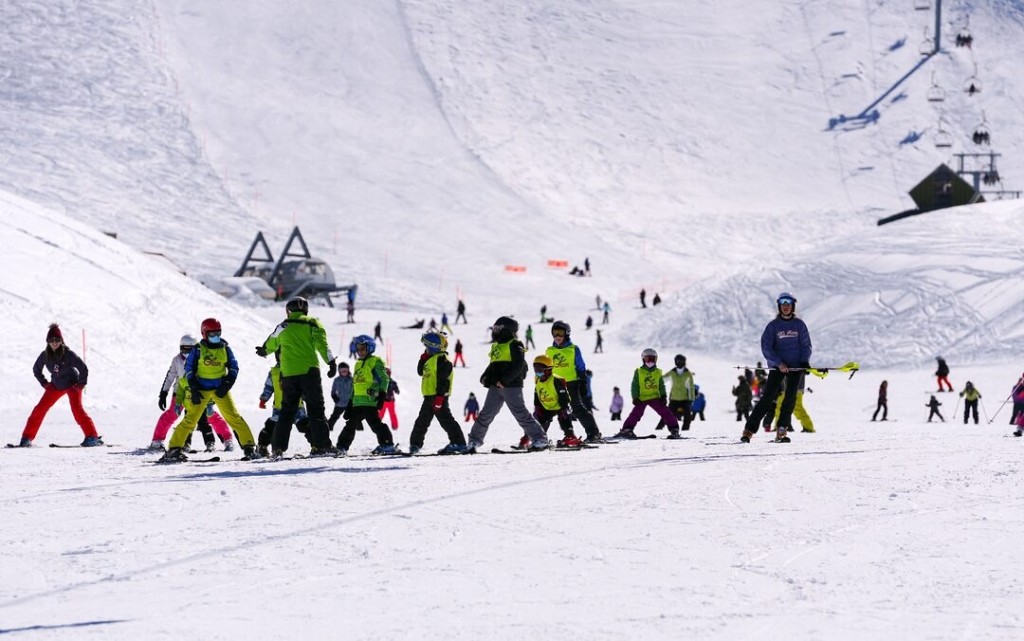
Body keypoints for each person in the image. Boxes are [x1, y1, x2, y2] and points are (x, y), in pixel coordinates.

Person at [161, 318, 259, 462]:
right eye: (212, 333)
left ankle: (249, 447)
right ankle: (174, 449)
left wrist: (227, 384)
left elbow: (233, 367)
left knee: (234, 417)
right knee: (190, 420)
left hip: (220, 389)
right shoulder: (198, 349)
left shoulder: (225, 348)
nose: (216, 336)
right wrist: (193, 389)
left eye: (218, 333)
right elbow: (189, 369)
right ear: (204, 334)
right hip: (201, 390)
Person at [258, 296, 338, 457]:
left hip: (288, 374)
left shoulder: (283, 325)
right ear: (306, 309)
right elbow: (322, 345)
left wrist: (264, 351)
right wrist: (331, 363)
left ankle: (277, 448)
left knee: (287, 411)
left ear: (288, 310)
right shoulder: (312, 323)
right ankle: (321, 446)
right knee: (316, 409)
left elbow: (270, 342)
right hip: (309, 372)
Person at [465, 316, 550, 452]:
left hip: (511, 386)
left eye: (499, 328)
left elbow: (518, 365)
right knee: (486, 414)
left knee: (520, 413)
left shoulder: (515, 345)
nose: (496, 331)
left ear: (508, 330)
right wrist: (485, 376)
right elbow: (493, 364)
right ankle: (474, 441)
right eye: (495, 328)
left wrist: (505, 381)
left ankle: (540, 439)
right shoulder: (496, 346)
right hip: (495, 386)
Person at [741, 292, 812, 444]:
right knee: (767, 398)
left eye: (788, 304)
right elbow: (766, 348)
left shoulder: (799, 325)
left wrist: (804, 362)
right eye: (783, 304)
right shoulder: (773, 326)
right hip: (777, 367)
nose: (785, 307)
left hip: (795, 368)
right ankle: (749, 430)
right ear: (779, 306)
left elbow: (805, 345)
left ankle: (782, 429)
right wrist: (778, 363)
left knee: (790, 398)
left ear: (792, 306)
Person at [18, 324, 102, 447]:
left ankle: (92, 437)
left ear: (61, 341)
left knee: (77, 410)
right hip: (55, 385)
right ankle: (26, 438)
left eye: (57, 340)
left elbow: (83, 369)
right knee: (39, 409)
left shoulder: (68, 354)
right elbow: (36, 370)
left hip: (72, 384)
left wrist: (80, 384)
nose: (54, 342)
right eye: (51, 340)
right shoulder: (45, 355)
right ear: (48, 342)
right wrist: (45, 383)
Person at [151, 334, 234, 452]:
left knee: (209, 415)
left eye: (190, 349)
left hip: (199, 392)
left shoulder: (201, 359)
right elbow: (170, 376)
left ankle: (227, 440)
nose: (187, 352)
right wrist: (163, 393)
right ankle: (157, 441)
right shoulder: (177, 360)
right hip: (180, 392)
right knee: (172, 414)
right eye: (185, 349)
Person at [335, 335, 397, 455]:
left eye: (363, 349)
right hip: (358, 402)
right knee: (350, 425)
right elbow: (356, 384)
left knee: (376, 424)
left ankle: (387, 445)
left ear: (370, 348)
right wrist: (349, 404)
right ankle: (341, 448)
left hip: (370, 401)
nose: (360, 352)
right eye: (358, 349)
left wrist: (382, 395)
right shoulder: (358, 364)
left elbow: (384, 379)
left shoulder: (375, 362)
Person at [408, 330, 467, 455]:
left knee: (446, 421)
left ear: (433, 347)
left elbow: (443, 382)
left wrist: (439, 398)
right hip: (429, 396)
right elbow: (420, 372)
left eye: (427, 347)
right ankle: (415, 445)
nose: (425, 349)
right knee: (422, 422)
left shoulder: (442, 361)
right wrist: (423, 358)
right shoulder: (430, 359)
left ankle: (459, 443)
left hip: (438, 397)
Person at [546, 321, 604, 442]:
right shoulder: (549, 350)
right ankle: (566, 435)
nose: (557, 336)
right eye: (554, 333)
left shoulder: (573, 349)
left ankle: (593, 433)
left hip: (571, 383)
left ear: (567, 334)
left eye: (560, 333)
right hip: (555, 385)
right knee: (551, 410)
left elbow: (581, 367)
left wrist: (583, 382)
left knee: (577, 409)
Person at [615, 348, 680, 439]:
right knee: (636, 414)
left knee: (666, 412)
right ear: (643, 359)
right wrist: (635, 397)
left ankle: (674, 429)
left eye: (652, 359)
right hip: (642, 398)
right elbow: (635, 385)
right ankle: (627, 429)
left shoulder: (658, 372)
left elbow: (661, 385)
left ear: (656, 360)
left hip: (655, 397)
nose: (650, 361)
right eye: (647, 359)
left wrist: (663, 395)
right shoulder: (639, 372)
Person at [256, 351, 312, 457]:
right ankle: (263, 447)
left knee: (304, 425)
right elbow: (269, 387)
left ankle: (316, 446)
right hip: (279, 408)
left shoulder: (297, 370)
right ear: (278, 357)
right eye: (282, 356)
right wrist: (264, 399)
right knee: (273, 428)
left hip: (297, 408)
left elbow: (304, 387)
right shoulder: (274, 372)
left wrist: (308, 397)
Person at [530, 355, 584, 447]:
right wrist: (537, 407)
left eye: (540, 369)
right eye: (535, 369)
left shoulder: (556, 380)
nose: (537, 372)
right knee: (539, 418)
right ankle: (540, 439)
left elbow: (563, 395)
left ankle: (570, 436)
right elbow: (537, 393)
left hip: (559, 405)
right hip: (547, 406)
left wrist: (564, 407)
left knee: (564, 416)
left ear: (548, 370)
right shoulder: (537, 379)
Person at [657, 354, 694, 431]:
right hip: (674, 399)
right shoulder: (672, 372)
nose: (679, 362)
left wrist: (691, 399)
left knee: (687, 416)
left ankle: (685, 431)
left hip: (685, 399)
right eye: (677, 361)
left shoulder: (688, 373)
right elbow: (662, 379)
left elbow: (691, 387)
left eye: (681, 361)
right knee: (667, 414)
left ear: (684, 362)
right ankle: (659, 429)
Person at [327, 362, 353, 430]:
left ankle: (356, 427)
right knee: (335, 416)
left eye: (345, 370)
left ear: (348, 370)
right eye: (342, 370)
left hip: (349, 403)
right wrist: (334, 397)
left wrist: (353, 399)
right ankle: (329, 427)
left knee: (353, 416)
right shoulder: (337, 380)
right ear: (339, 371)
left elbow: (355, 390)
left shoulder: (351, 380)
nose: (344, 372)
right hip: (340, 403)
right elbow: (333, 391)